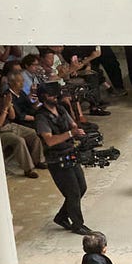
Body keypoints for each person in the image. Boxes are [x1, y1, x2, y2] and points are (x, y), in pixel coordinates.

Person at [32, 82, 95, 236]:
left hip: (70, 151)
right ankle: (78, 224)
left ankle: (61, 217)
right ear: (44, 97)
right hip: (56, 159)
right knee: (72, 192)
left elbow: (73, 125)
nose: (56, 97)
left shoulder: (60, 109)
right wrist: (70, 134)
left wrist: (78, 133)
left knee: (81, 187)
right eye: (52, 95)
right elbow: (49, 140)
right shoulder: (41, 117)